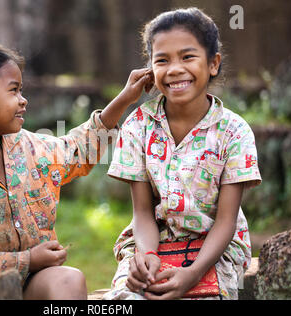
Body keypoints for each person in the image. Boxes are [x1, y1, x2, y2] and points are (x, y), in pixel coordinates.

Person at [0, 35, 153, 299]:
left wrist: (125, 98)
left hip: (28, 284)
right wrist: (28, 260)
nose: (23, 100)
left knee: (68, 280)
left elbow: (78, 150)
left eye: (21, 91)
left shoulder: (30, 149)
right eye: (13, 90)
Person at [103, 7, 261, 300]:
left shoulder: (235, 132)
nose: (174, 69)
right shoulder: (137, 126)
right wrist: (148, 256)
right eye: (162, 60)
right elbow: (142, 211)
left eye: (187, 57)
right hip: (153, 240)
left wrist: (193, 273)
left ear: (213, 64)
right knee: (125, 299)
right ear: (151, 68)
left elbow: (226, 221)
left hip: (216, 250)